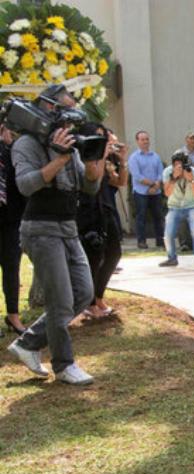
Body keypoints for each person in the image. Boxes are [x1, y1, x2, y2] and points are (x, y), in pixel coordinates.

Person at [7, 84, 107, 384]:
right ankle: (64, 365)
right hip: (40, 229)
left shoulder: (70, 143)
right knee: (61, 301)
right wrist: (59, 159)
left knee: (83, 293)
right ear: (49, 107)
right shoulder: (26, 144)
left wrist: (93, 165)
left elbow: (89, 187)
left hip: (68, 227)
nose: (71, 117)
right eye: (66, 109)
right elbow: (25, 185)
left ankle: (28, 343)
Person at [78, 125, 127, 319]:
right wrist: (101, 156)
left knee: (114, 253)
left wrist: (122, 161)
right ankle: (89, 303)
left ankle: (98, 297)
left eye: (103, 137)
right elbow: (91, 179)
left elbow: (120, 182)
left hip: (107, 209)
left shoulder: (106, 159)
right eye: (98, 136)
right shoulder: (85, 156)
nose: (103, 141)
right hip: (88, 210)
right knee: (93, 256)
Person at [158, 151, 194, 271]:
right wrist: (173, 178)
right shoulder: (168, 172)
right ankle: (172, 258)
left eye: (181, 165)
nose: (178, 167)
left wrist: (191, 180)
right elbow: (167, 193)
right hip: (174, 206)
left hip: (192, 205)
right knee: (168, 234)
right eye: (176, 165)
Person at [0, 124, 27, 335]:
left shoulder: (12, 152)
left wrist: (9, 145)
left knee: (12, 268)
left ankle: (13, 316)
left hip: (10, 220)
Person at [127, 130, 164, 249]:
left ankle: (160, 241)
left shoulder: (156, 156)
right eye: (142, 139)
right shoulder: (134, 157)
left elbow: (161, 173)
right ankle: (141, 241)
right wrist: (152, 184)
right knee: (141, 217)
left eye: (147, 139)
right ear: (137, 141)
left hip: (156, 192)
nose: (145, 141)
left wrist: (156, 185)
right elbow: (137, 176)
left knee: (158, 216)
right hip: (140, 192)